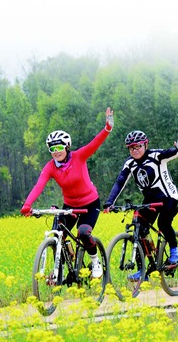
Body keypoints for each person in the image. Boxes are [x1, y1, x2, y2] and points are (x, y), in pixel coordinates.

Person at [20, 108, 114, 279]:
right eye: (51, 148)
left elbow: (95, 143)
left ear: (67, 146)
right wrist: (28, 205)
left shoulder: (79, 156)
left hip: (90, 204)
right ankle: (62, 268)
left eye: (58, 147)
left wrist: (107, 128)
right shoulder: (50, 167)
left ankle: (95, 261)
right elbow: (39, 185)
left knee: (84, 232)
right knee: (58, 233)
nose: (55, 151)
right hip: (70, 205)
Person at [104, 130, 178, 281]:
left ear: (145, 144)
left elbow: (172, 153)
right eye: (131, 148)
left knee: (163, 223)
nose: (134, 150)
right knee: (139, 228)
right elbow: (120, 182)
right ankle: (143, 270)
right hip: (150, 201)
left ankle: (174, 251)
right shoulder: (129, 163)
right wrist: (110, 202)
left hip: (168, 198)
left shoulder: (155, 156)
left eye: (137, 146)